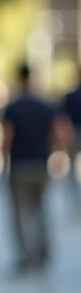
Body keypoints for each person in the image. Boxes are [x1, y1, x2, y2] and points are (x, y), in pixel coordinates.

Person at [2, 64, 68, 273]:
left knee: (20, 214)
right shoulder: (45, 106)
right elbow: (61, 134)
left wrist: (2, 163)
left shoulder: (12, 108)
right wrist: (58, 155)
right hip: (41, 165)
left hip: (20, 166)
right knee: (41, 211)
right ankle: (43, 252)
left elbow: (6, 139)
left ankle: (26, 256)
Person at [58, 65, 81, 218]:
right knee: (71, 171)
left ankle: (74, 205)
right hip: (73, 133)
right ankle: (74, 204)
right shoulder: (70, 96)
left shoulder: (70, 96)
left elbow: (63, 120)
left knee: (72, 171)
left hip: (73, 133)